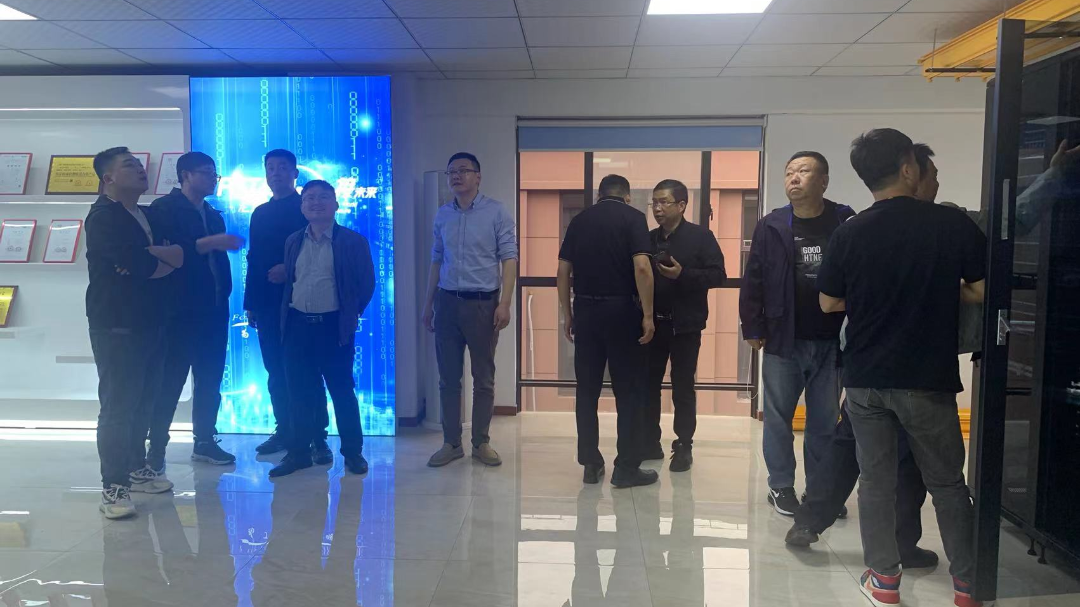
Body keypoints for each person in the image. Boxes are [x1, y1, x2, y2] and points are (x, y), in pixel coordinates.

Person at [817, 128, 987, 607]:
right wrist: (937, 287)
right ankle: (968, 586)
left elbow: (828, 301)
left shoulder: (849, 231)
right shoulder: (950, 225)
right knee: (948, 483)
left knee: (875, 482)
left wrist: (873, 295)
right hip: (926, 379)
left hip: (866, 379)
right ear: (909, 168)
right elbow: (980, 290)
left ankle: (885, 582)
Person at [784, 143, 942, 570]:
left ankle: (809, 521)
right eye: (932, 174)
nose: (936, 183)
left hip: (866, 359)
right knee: (905, 459)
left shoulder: (856, 226)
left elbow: (832, 299)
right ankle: (900, 545)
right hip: (914, 366)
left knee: (847, 444)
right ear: (911, 173)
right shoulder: (940, 227)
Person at [739, 151, 854, 516]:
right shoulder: (772, 224)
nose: (794, 178)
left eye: (803, 171)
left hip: (831, 341)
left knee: (824, 422)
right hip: (782, 339)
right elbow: (754, 278)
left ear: (824, 181)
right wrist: (751, 326)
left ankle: (819, 493)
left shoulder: (844, 220)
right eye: (789, 172)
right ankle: (780, 486)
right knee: (778, 419)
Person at [85, 147, 185, 518]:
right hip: (117, 323)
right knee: (118, 405)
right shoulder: (103, 217)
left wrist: (157, 258)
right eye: (129, 165)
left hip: (152, 319)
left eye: (140, 164)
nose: (140, 170)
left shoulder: (146, 213)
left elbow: (177, 255)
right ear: (108, 178)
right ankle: (113, 487)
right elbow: (141, 264)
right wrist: (155, 259)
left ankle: (135, 467)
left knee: (145, 399)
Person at [268, 180, 376, 478]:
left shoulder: (353, 241)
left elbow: (366, 285)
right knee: (299, 393)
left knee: (342, 391)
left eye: (323, 197)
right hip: (297, 327)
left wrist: (349, 315)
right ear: (302, 206)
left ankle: (352, 453)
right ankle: (299, 453)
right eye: (310, 198)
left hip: (333, 328)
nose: (316, 203)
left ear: (336, 204)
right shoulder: (293, 241)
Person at [557, 174, 658, 488]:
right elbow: (642, 267)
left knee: (586, 391)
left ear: (599, 195)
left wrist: (568, 314)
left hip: (586, 312)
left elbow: (562, 270)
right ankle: (626, 468)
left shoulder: (579, 221)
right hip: (622, 312)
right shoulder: (634, 218)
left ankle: (590, 463)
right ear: (626, 196)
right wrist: (648, 315)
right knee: (628, 392)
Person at [147, 152, 245, 470]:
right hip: (177, 311)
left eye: (215, 174)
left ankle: (204, 441)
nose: (213, 179)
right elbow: (166, 254)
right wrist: (210, 242)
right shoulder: (163, 210)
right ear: (185, 175)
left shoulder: (213, 214)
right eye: (206, 173)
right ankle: (156, 446)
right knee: (170, 381)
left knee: (210, 380)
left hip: (214, 309)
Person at [422, 152, 517, 468]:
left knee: (483, 378)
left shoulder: (496, 212)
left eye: (463, 170)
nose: (456, 176)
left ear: (478, 176)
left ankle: (481, 443)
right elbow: (437, 260)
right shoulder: (442, 215)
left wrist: (505, 303)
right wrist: (428, 304)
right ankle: (451, 443)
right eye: (451, 171)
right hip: (447, 302)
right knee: (448, 379)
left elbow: (509, 259)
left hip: (482, 304)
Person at [245, 149, 330, 463]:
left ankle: (317, 437)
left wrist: (289, 269)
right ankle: (285, 430)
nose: (276, 173)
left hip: (302, 304)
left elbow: (321, 254)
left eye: (283, 167)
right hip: (267, 304)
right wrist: (251, 303)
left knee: (308, 371)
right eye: (270, 168)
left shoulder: (306, 208)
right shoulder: (259, 213)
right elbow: (254, 259)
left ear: (295, 173)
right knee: (275, 370)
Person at [644, 179, 727, 472]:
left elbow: (718, 275)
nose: (657, 208)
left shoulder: (701, 237)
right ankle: (649, 441)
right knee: (648, 385)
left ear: (681, 205)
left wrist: (683, 274)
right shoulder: (648, 239)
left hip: (686, 326)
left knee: (682, 388)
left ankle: (683, 446)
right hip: (652, 325)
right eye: (654, 202)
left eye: (663, 202)